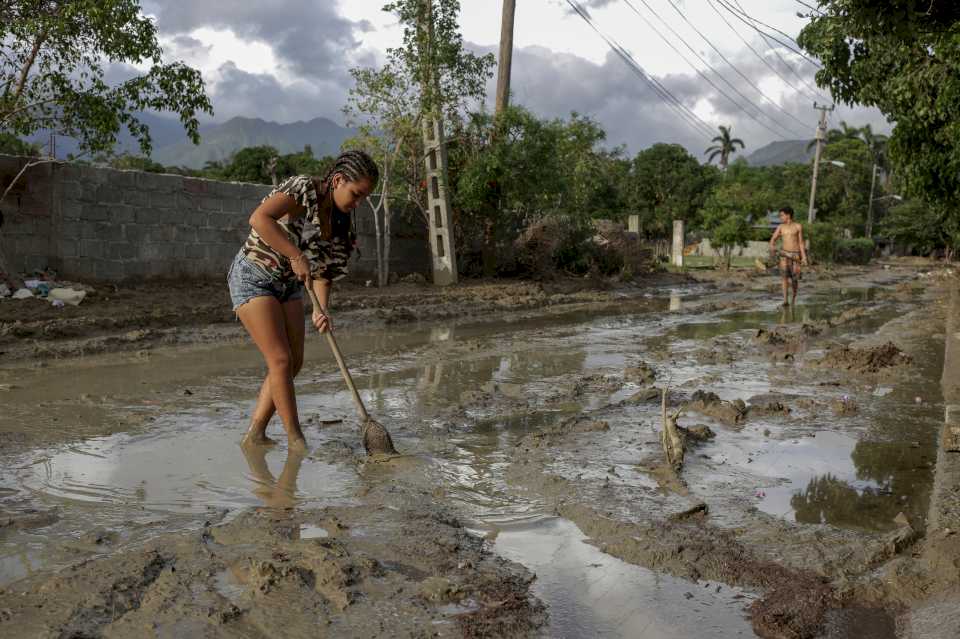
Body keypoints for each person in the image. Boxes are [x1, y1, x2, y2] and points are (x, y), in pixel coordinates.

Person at [227, 150, 378, 451]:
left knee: (293, 364)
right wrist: (295, 255)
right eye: (356, 194)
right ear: (337, 180)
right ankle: (297, 442)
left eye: (363, 198)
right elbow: (259, 218)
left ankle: (255, 434)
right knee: (280, 360)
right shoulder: (304, 189)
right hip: (253, 275)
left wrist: (320, 309)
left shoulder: (342, 223)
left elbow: (324, 272)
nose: (357, 203)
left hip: (288, 286)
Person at [769, 206, 807, 307]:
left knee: (794, 279)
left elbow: (801, 243)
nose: (780, 217)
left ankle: (793, 299)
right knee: (784, 277)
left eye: (782, 215)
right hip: (784, 255)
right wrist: (772, 246)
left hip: (795, 256)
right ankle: (785, 301)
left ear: (788, 215)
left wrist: (804, 257)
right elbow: (773, 239)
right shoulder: (781, 227)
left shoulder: (798, 226)